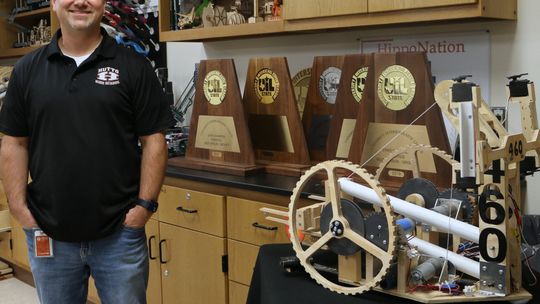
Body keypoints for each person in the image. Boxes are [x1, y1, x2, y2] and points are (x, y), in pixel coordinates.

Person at [0, 0, 175, 301]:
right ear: (54, 2)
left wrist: (144, 207)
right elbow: (14, 142)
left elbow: (154, 141)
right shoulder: (28, 70)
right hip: (49, 232)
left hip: (120, 234)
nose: (80, 1)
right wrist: (19, 208)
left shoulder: (133, 66)